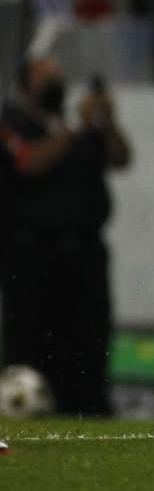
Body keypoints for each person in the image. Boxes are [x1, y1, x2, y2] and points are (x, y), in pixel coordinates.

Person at [0, 57, 131, 415]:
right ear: (27, 84)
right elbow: (27, 162)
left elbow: (121, 158)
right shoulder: (11, 122)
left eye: (59, 73)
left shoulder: (82, 128)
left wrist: (105, 122)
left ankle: (89, 406)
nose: (56, 79)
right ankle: (22, 405)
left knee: (88, 337)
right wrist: (77, 125)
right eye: (46, 75)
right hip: (31, 252)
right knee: (29, 339)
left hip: (84, 251)